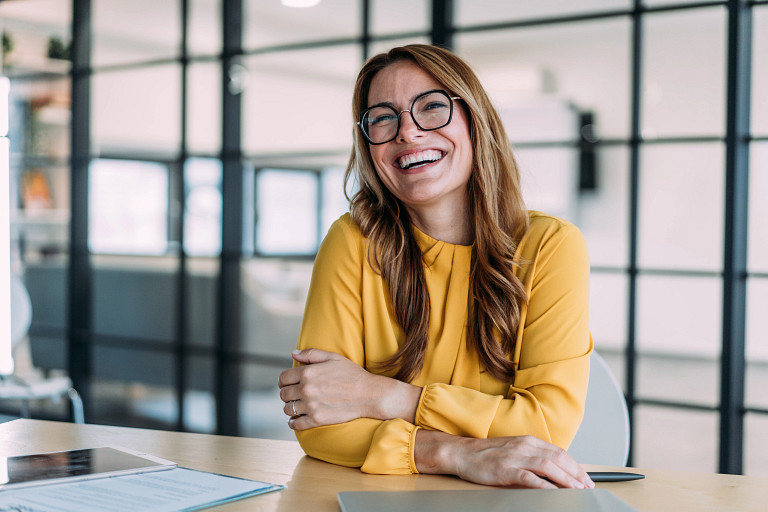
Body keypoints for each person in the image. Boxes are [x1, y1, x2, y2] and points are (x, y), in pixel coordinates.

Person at [278, 44, 594, 490]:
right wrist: (457, 453)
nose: (407, 132)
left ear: (475, 120)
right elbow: (320, 424)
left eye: (431, 107)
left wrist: (382, 396)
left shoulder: (551, 247)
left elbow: (545, 428)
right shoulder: (352, 241)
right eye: (383, 118)